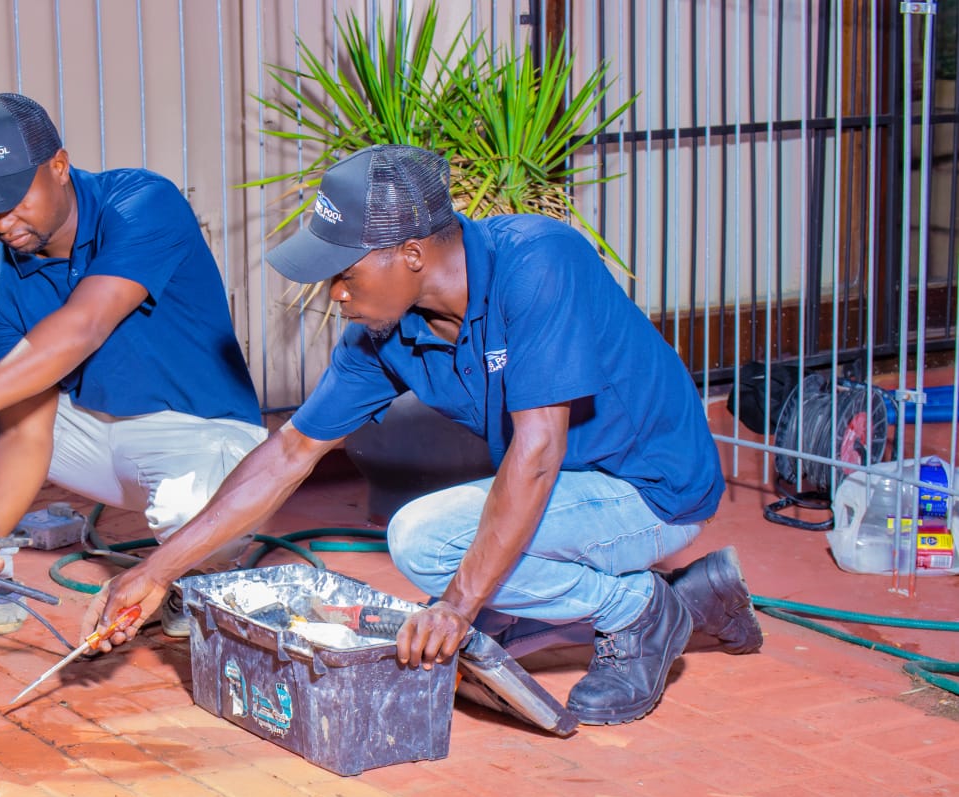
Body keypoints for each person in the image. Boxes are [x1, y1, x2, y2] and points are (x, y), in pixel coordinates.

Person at [84, 144, 762, 726]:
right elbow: (290, 453)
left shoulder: (538, 262)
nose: (335, 296)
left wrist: (459, 606)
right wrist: (155, 570)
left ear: (411, 253)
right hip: (564, 494)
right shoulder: (386, 336)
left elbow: (539, 450)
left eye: (343, 274)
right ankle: (697, 597)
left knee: (427, 544)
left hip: (652, 491)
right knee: (465, 618)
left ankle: (640, 609)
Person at [0, 93, 266, 639]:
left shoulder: (142, 202)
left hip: (201, 436)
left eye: (12, 197)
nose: (0, 221)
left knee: (189, 503)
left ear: (59, 165)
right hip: (96, 438)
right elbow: (26, 428)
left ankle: (196, 580)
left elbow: (84, 326)